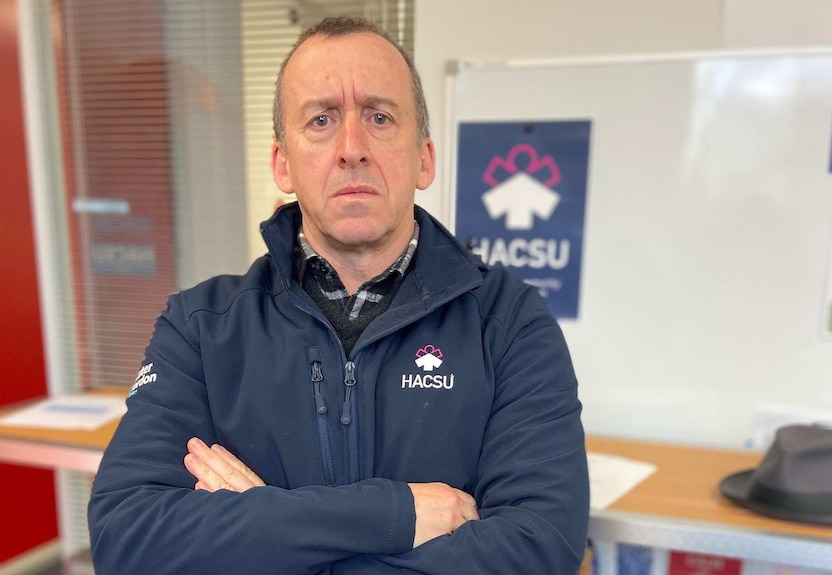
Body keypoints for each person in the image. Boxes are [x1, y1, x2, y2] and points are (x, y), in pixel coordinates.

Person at [88, 16, 589, 574]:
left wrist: (264, 531)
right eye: (321, 119)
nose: (352, 148)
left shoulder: (507, 322)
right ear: (283, 163)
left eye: (379, 117)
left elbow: (539, 551)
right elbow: (127, 538)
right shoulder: (202, 328)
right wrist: (394, 514)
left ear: (424, 158)